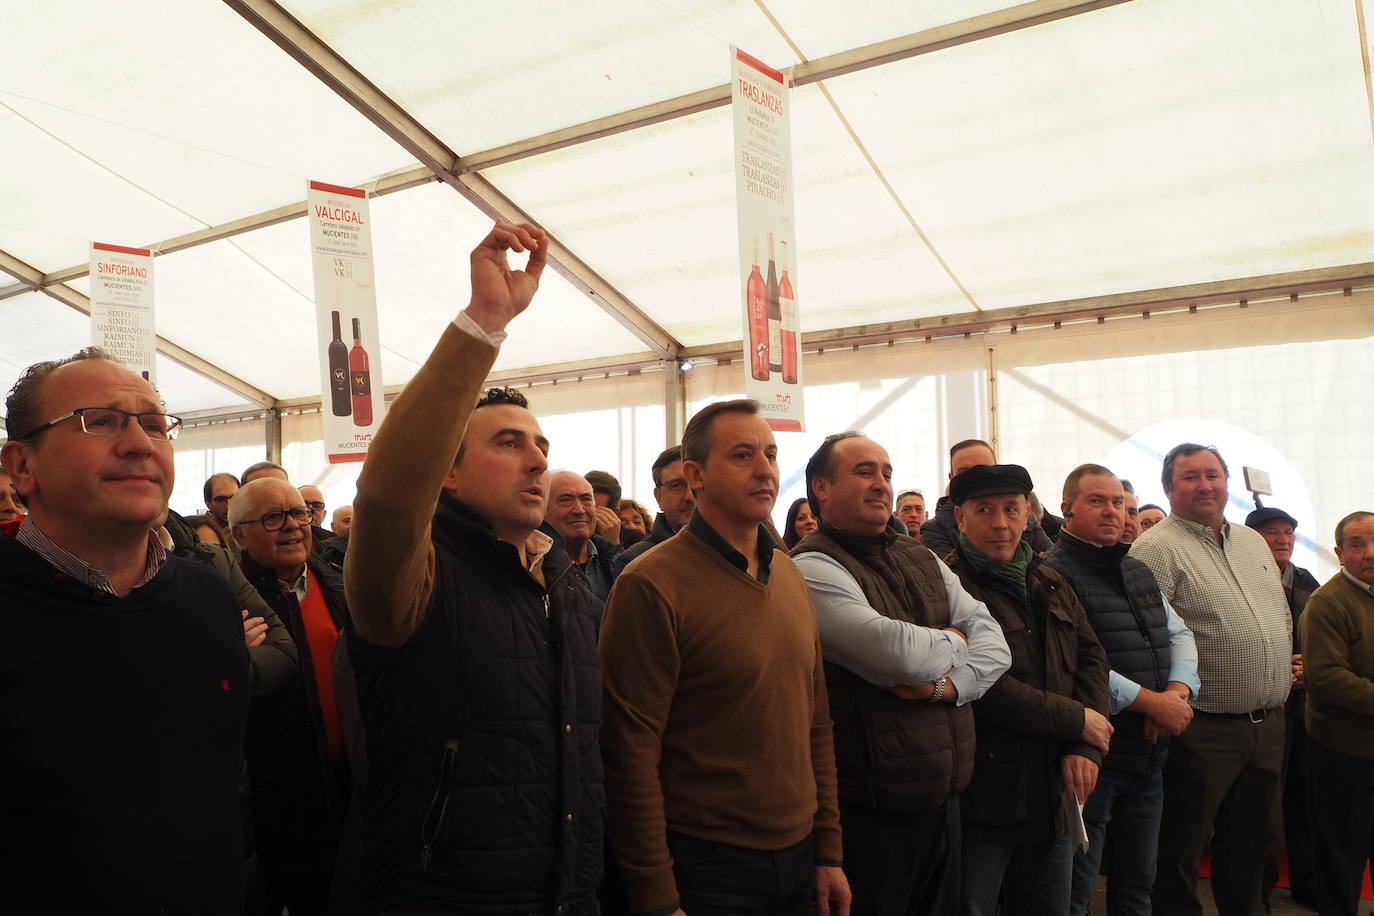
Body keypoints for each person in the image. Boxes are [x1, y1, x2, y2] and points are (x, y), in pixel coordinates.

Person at [342, 222, 603, 914]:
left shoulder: (567, 585)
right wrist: (485, 321)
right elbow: (389, 494)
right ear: (448, 475)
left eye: (542, 445)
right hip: (446, 894)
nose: (539, 461)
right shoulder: (417, 578)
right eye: (509, 444)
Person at [0, 348, 249, 913]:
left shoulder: (210, 599)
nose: (141, 444)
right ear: (21, 467)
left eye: (156, 425)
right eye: (102, 421)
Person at [599, 399, 851, 916]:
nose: (765, 469)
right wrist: (655, 892)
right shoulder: (650, 584)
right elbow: (630, 751)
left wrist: (828, 850)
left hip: (799, 856)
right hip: (707, 866)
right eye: (742, 454)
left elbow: (816, 724)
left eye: (771, 453)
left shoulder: (789, 575)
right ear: (696, 475)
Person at [792, 432, 1010, 916]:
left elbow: (995, 642)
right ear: (821, 488)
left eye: (886, 473)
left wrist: (946, 688)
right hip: (873, 811)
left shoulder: (920, 555)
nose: (881, 484)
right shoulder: (811, 567)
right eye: (864, 472)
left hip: (946, 798)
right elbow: (897, 655)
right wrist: (955, 638)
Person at [940, 463, 1111, 916]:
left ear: (1028, 514)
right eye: (985, 510)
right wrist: (1075, 719)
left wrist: (1084, 744)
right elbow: (983, 685)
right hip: (986, 797)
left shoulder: (1048, 579)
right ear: (960, 517)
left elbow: (1092, 659)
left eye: (1011, 509)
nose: (1000, 523)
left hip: (1053, 792)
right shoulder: (949, 590)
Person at [1129, 444, 1292, 916]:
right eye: (1191, 477)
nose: (1205, 485)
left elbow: (1277, 614)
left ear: (1226, 482)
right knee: (1181, 845)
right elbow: (1147, 637)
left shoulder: (1252, 541)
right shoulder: (1153, 549)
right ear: (1168, 488)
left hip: (1267, 723)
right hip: (1201, 727)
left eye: (1213, 475)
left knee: (1253, 842)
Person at [1042, 465, 1200, 916]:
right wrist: (1151, 702)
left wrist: (1176, 693)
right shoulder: (1051, 575)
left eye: (1118, 502)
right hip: (1094, 758)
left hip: (1148, 759)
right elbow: (1074, 664)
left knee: (1137, 887)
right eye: (1097, 501)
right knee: (1076, 889)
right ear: (1067, 508)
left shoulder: (1136, 569)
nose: (1112, 511)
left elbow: (1180, 635)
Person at [231, 478, 352, 916]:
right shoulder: (229, 601)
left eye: (299, 513)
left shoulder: (337, 582)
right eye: (272, 517)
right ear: (239, 534)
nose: (292, 526)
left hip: (346, 788)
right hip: (275, 804)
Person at [1245, 505, 1320, 908]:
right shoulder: (1244, 579)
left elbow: (1321, 635)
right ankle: (1259, 891)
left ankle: (1308, 884)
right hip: (1262, 706)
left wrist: (1311, 660)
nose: (1282, 539)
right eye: (1272, 532)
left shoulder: (1308, 582)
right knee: (1261, 804)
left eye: (1288, 532)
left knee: (1302, 800)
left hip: (1303, 709)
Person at [1301, 511, 1374, 916]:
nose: (1370, 553)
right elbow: (1327, 679)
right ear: (1339, 553)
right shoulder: (1329, 602)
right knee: (1341, 860)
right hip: (1345, 751)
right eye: (1357, 544)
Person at [921, 439, 1053, 558]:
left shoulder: (1024, 518)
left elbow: (1051, 564)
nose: (978, 478)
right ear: (951, 478)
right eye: (964, 473)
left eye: (985, 469)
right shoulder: (936, 529)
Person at [610, 445, 695, 575]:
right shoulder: (636, 564)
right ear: (659, 497)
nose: (690, 496)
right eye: (677, 485)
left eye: (697, 482)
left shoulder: (733, 549)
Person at [546, 470, 622, 600]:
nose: (580, 510)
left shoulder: (618, 560)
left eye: (586, 500)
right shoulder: (532, 567)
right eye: (566, 500)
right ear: (543, 509)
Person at [587, 468, 644, 548]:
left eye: (595, 509)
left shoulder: (636, 541)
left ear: (614, 512)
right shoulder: (566, 535)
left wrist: (613, 544)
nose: (582, 511)